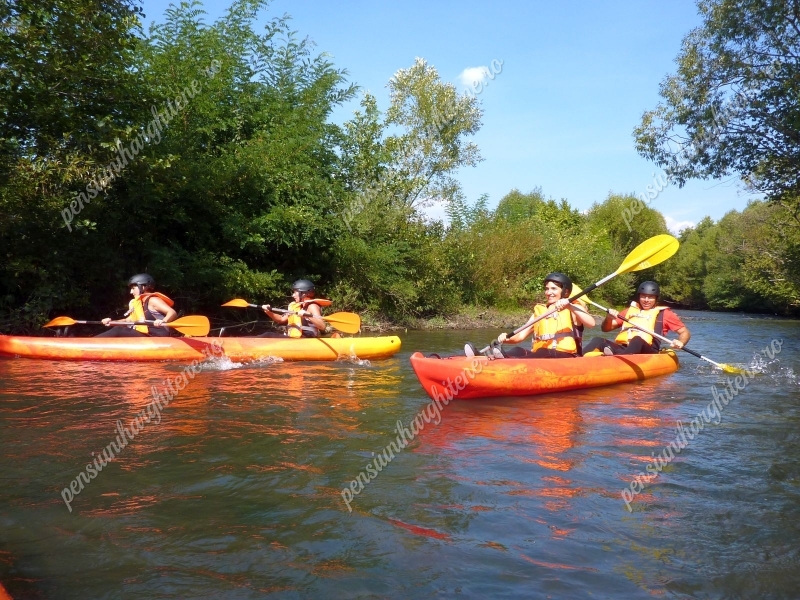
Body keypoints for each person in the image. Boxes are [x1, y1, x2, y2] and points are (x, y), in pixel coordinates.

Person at [469, 272, 595, 359]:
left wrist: (570, 306)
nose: (548, 292)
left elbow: (591, 323)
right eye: (547, 289)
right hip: (543, 355)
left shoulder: (573, 307)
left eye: (553, 289)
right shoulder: (540, 311)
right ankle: (485, 357)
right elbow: (520, 336)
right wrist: (506, 339)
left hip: (567, 356)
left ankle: (509, 362)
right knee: (518, 350)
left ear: (565, 292)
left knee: (544, 351)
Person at [582, 281, 690, 355]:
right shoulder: (629, 311)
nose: (646, 300)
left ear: (656, 298)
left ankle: (619, 360)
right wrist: (609, 318)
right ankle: (576, 360)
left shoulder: (665, 314)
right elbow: (605, 329)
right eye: (643, 296)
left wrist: (681, 342)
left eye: (650, 297)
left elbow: (685, 332)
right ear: (639, 296)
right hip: (625, 348)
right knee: (598, 340)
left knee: (637, 339)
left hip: (648, 351)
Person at [96, 274, 177, 337]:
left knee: (119, 330)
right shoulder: (138, 304)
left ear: (143, 287)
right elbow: (128, 321)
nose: (131, 292)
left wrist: (163, 321)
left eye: (133, 288)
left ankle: (90, 344)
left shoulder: (153, 300)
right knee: (119, 328)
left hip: (157, 337)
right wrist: (112, 322)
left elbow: (172, 312)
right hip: (146, 336)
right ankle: (92, 342)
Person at [258, 279, 327, 338]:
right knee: (267, 335)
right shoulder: (296, 306)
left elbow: (322, 326)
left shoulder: (312, 306)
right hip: (295, 339)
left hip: (307, 340)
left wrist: (307, 315)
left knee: (268, 335)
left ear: (303, 293)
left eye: (295, 292)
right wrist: (268, 311)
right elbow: (281, 319)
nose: (293, 295)